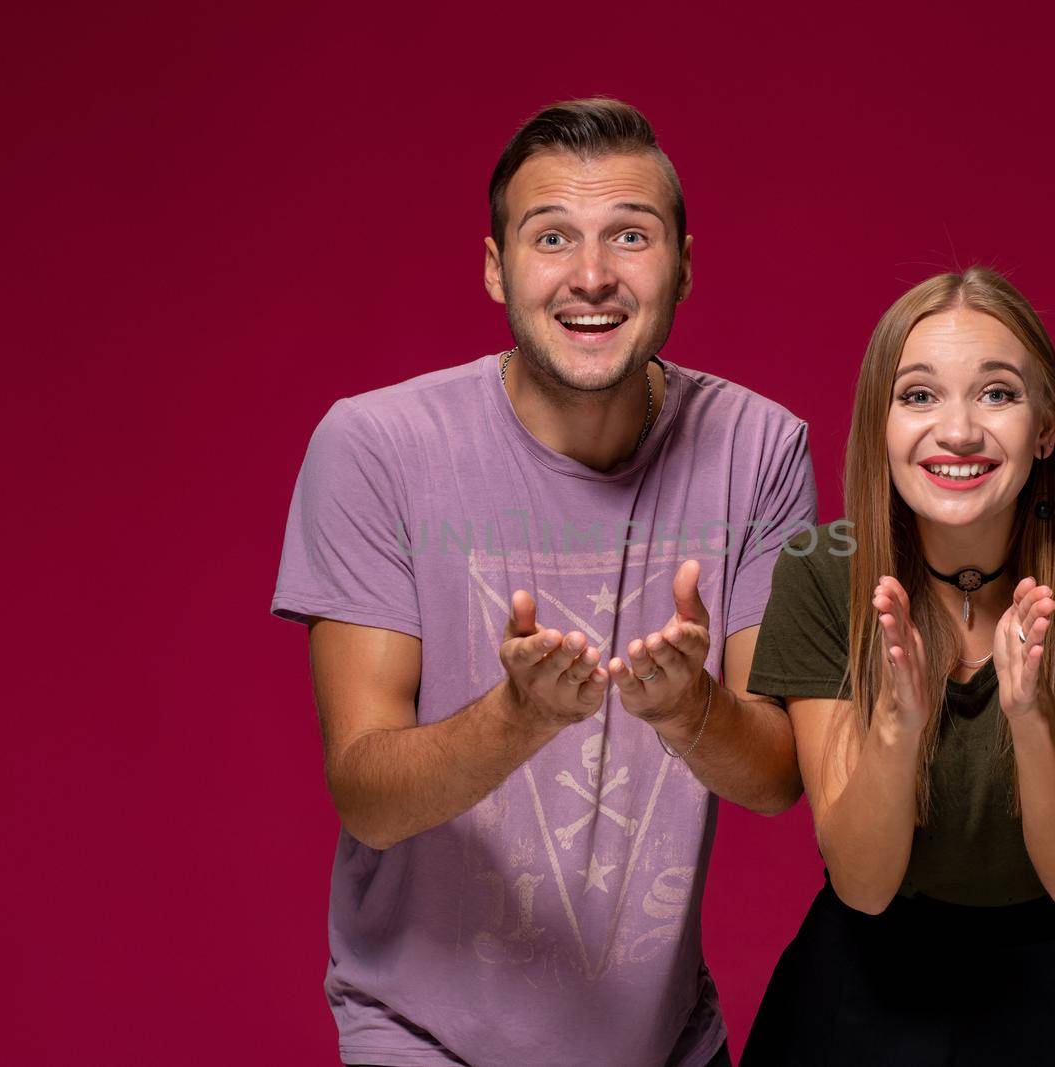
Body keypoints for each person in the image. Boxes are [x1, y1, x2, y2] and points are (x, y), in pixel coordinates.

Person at [269, 98, 816, 1067]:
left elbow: (778, 775)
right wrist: (518, 715)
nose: (592, 274)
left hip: (668, 1043)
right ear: (494, 268)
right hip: (423, 1039)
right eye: (551, 236)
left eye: (630, 236)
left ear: (684, 263)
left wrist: (693, 709)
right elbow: (366, 791)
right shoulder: (376, 447)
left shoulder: (759, 448)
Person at [740, 266, 1055, 1065]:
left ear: (1045, 427)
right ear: (880, 425)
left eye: (997, 394)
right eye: (918, 396)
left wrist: (1031, 715)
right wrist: (899, 727)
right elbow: (863, 883)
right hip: (858, 994)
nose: (957, 431)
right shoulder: (821, 572)